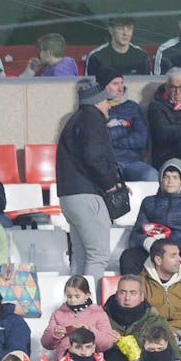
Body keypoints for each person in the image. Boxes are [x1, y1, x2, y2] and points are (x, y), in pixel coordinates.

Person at [57, 74, 124, 277]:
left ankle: (75, 304)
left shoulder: (75, 120)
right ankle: (90, 306)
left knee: (81, 256)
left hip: (69, 195)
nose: (109, 106)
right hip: (87, 195)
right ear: (96, 102)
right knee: (98, 255)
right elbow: (94, 157)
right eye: (106, 101)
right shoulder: (92, 120)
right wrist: (111, 183)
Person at [85, 17, 152, 77]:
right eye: (120, 28)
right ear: (111, 30)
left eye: (129, 28)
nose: (125, 33)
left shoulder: (141, 56)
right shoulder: (96, 57)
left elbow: (148, 87)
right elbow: (90, 87)